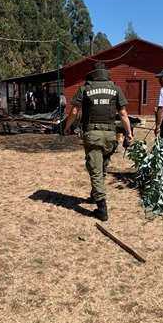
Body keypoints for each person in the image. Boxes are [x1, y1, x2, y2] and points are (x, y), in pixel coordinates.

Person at [64, 61, 133, 221]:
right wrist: (128, 132)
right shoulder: (115, 89)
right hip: (110, 136)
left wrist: (67, 127)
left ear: (92, 73)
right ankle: (95, 196)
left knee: (95, 171)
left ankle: (102, 209)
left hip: (92, 135)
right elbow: (123, 113)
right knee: (100, 167)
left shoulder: (84, 88)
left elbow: (74, 111)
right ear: (106, 73)